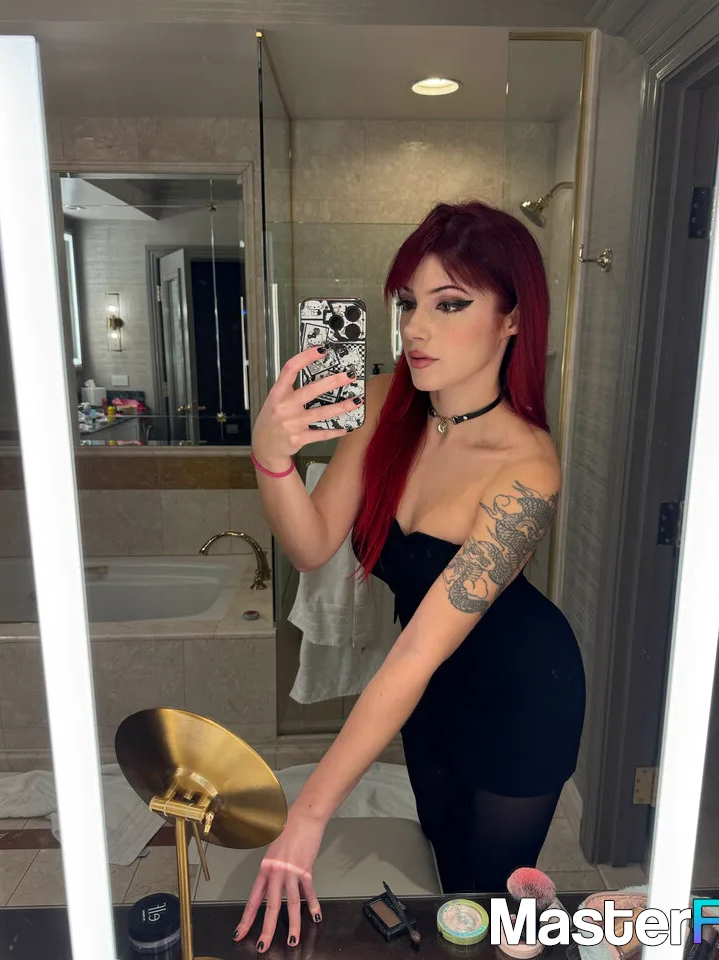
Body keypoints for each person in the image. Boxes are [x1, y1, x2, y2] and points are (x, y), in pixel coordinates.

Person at [235, 200, 586, 953]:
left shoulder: (527, 468)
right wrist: (271, 457)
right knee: (445, 873)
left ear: (512, 319)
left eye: (449, 304)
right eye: (406, 304)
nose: (415, 329)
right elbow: (311, 545)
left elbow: (418, 650)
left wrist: (310, 812)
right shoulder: (385, 405)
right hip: (429, 697)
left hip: (521, 698)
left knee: (489, 907)